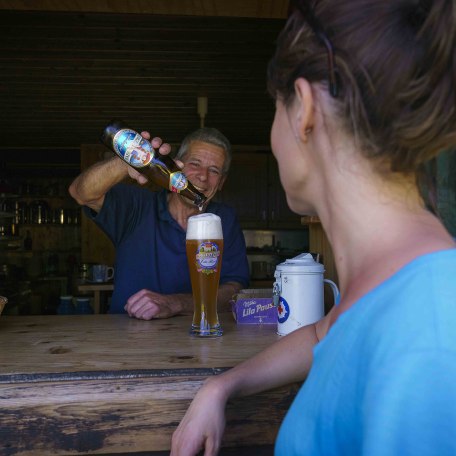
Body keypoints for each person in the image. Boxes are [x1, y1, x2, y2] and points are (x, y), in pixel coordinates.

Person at [170, 0, 456, 455]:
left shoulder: (432, 337)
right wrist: (222, 386)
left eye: (274, 110)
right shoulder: (391, 288)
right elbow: (326, 335)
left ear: (302, 108)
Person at [69, 127, 249, 319]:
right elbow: (80, 193)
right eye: (195, 164)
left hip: (198, 338)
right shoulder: (137, 206)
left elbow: (235, 290)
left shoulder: (224, 219)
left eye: (214, 170)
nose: (203, 176)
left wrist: (176, 303)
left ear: (221, 182)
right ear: (176, 166)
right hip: (127, 339)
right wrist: (126, 163)